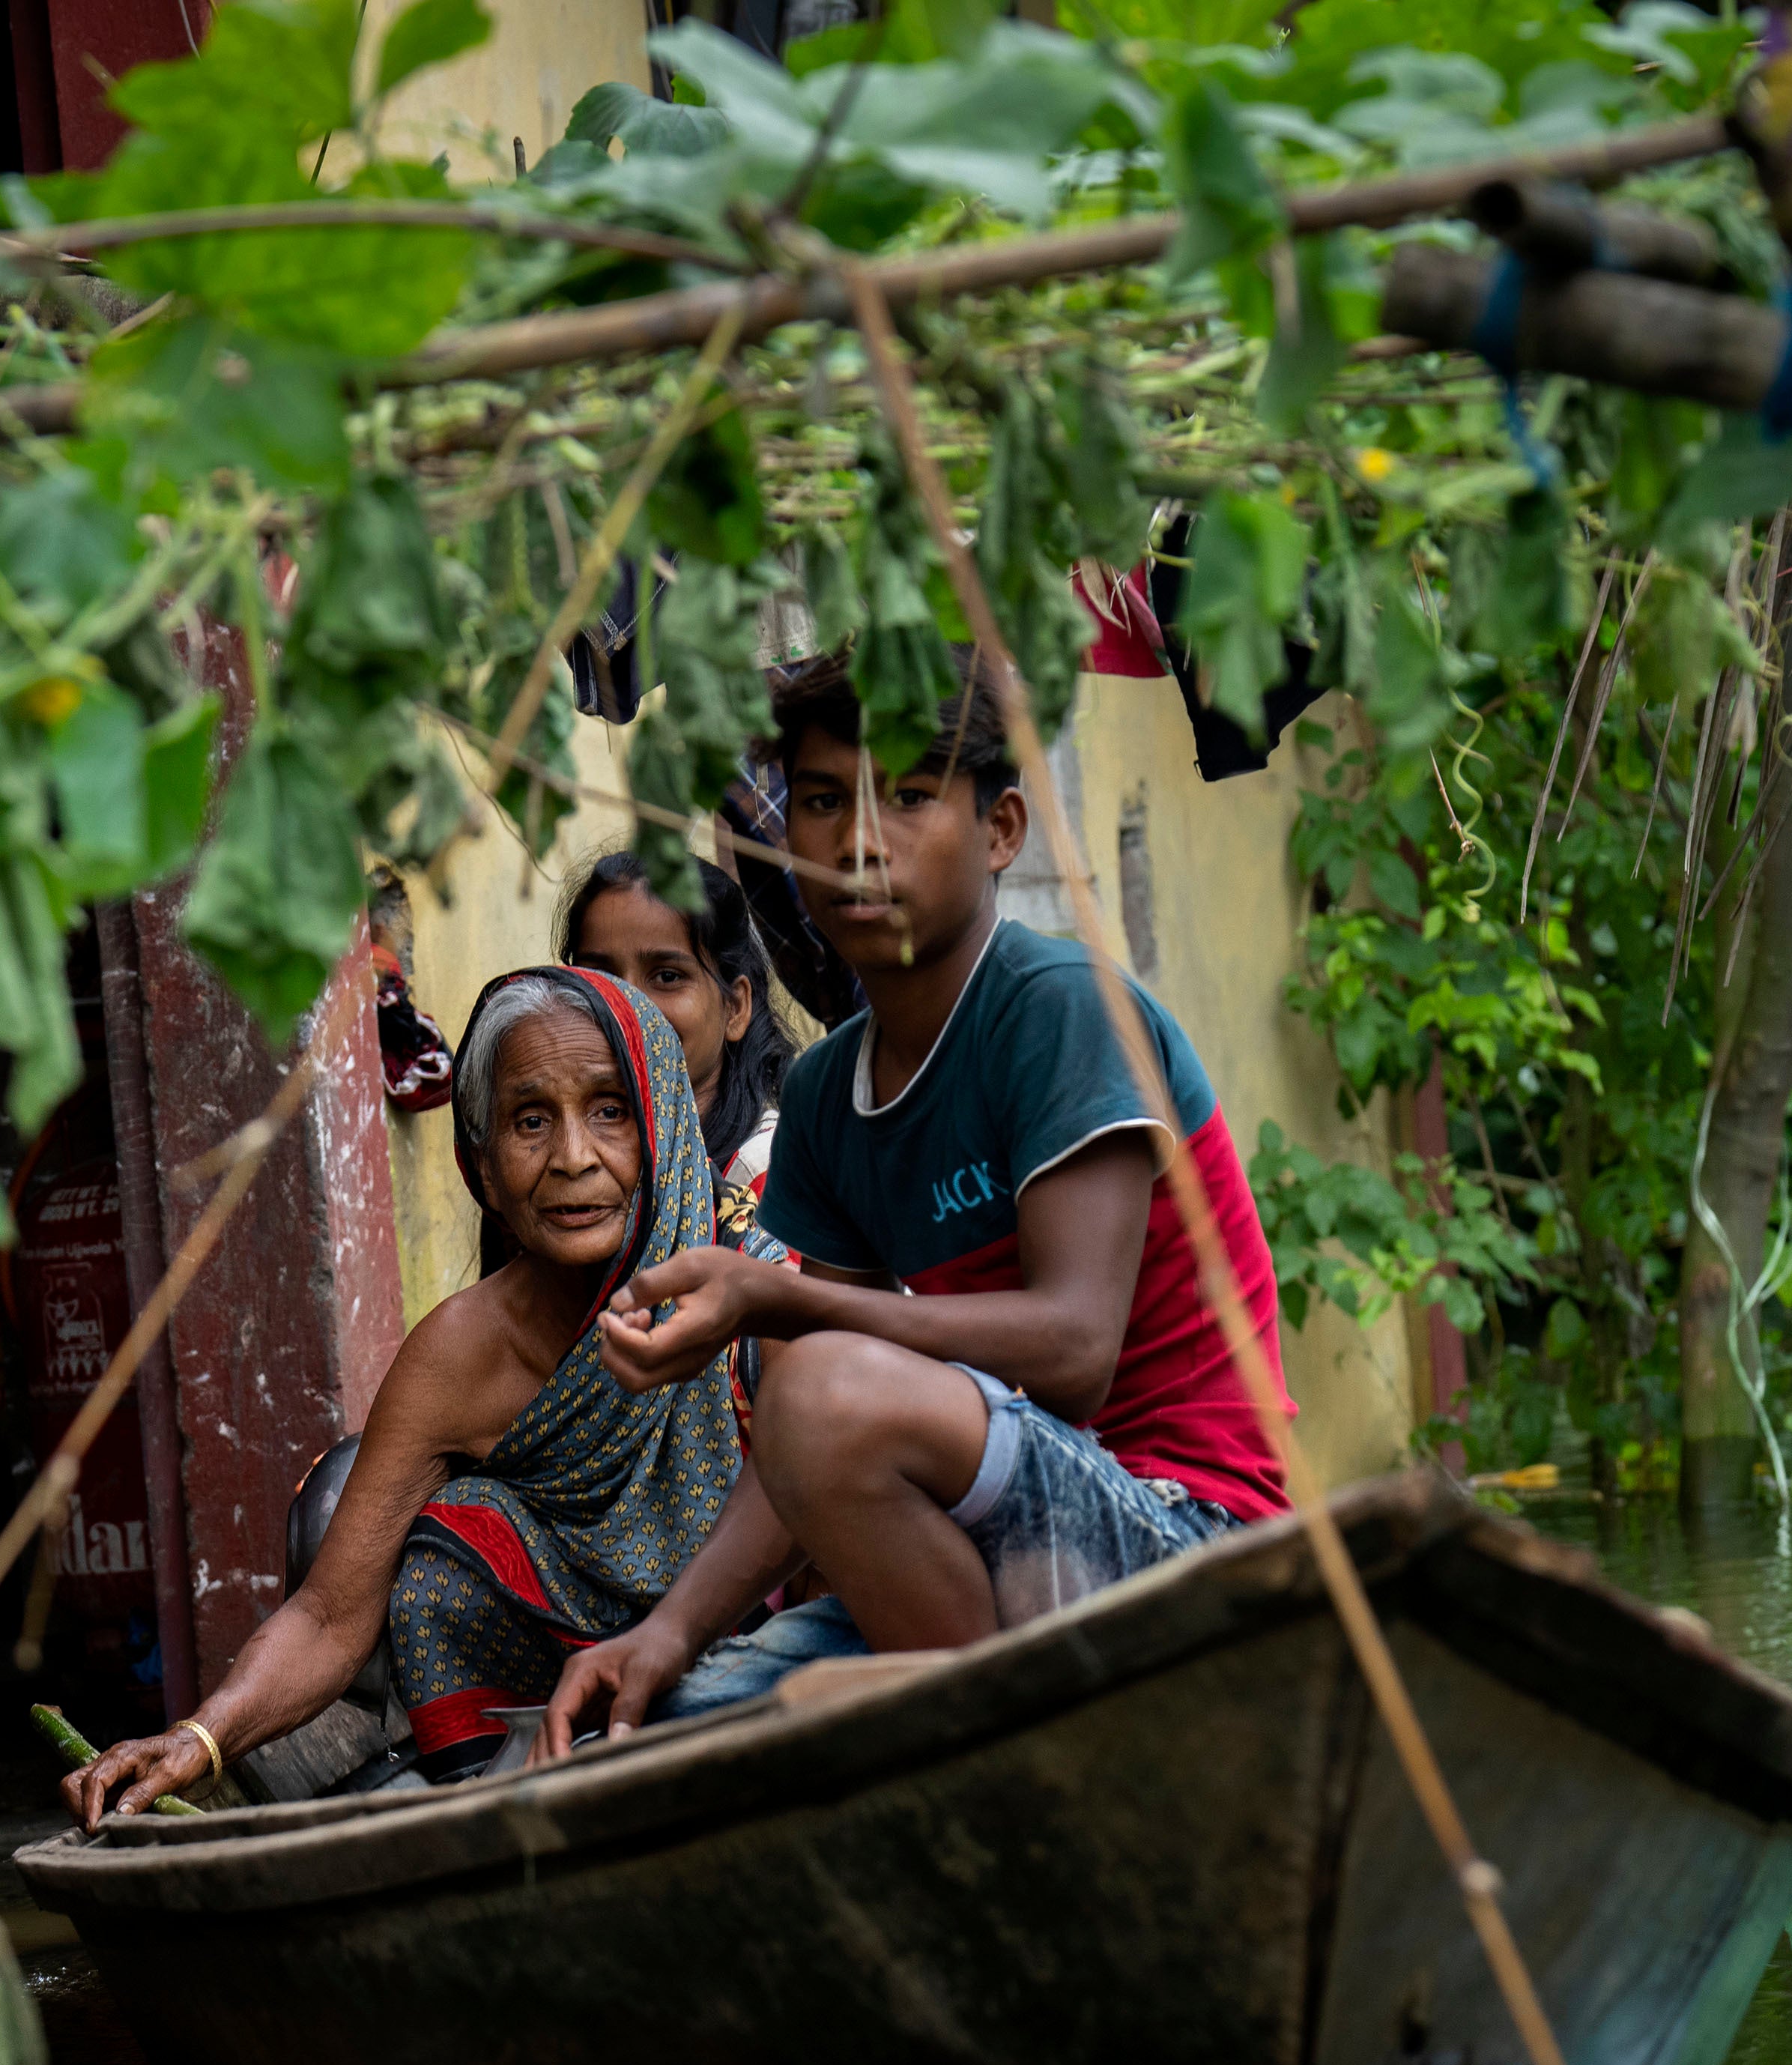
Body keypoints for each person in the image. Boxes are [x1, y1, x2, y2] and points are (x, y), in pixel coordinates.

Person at [544, 650, 1298, 1750]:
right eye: (816, 802)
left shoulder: (1057, 1008)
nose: (855, 841)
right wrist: (668, 1632)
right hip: (1008, 1543)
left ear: (1000, 831)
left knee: (820, 1390)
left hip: (1189, 1533)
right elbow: (809, 1446)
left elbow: (1075, 1347)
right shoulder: (826, 1097)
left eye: (906, 796)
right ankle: (980, 1731)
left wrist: (772, 1301)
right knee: (660, 1725)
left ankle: (1005, 1757)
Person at [64, 966, 748, 1819]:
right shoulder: (459, 1355)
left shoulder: (748, 1293)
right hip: (537, 1752)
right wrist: (198, 1740)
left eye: (610, 1110)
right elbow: (328, 1618)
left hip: (747, 1689)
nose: (574, 1157)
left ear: (664, 1131)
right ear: (485, 1170)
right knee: (445, 1553)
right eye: (531, 1121)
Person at [561, 850, 801, 1247]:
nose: (629, 1007)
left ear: (735, 1008)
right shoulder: (570, 1164)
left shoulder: (767, 1172)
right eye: (598, 978)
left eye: (668, 976)